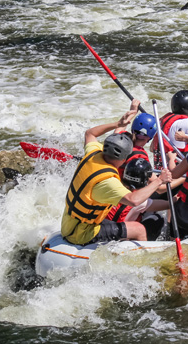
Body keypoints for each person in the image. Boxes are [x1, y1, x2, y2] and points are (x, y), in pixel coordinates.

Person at [61, 105, 173, 245]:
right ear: (124, 158)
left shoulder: (93, 154)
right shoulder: (107, 181)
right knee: (139, 229)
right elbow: (134, 200)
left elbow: (90, 134)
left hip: (68, 224)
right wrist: (160, 180)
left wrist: (119, 124)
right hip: (83, 233)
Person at [106, 158, 170, 241]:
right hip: (120, 235)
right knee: (158, 218)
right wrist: (178, 198)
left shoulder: (114, 185)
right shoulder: (139, 199)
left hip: (106, 227)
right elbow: (166, 205)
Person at [150, 90, 188, 168]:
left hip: (161, 172)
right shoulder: (182, 124)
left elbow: (151, 148)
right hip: (176, 175)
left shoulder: (162, 122)